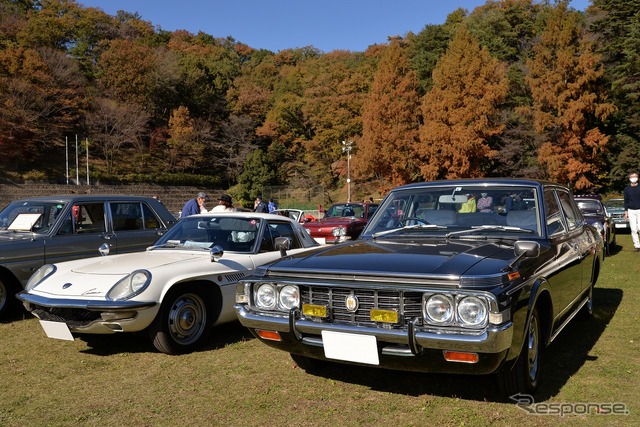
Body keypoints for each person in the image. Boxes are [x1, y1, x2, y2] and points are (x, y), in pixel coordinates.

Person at [624, 171, 640, 251]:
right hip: (631, 210)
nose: (634, 178)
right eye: (632, 176)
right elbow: (626, 201)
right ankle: (637, 246)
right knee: (633, 229)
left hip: (639, 210)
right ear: (629, 178)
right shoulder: (627, 189)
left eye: (635, 176)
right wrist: (626, 212)